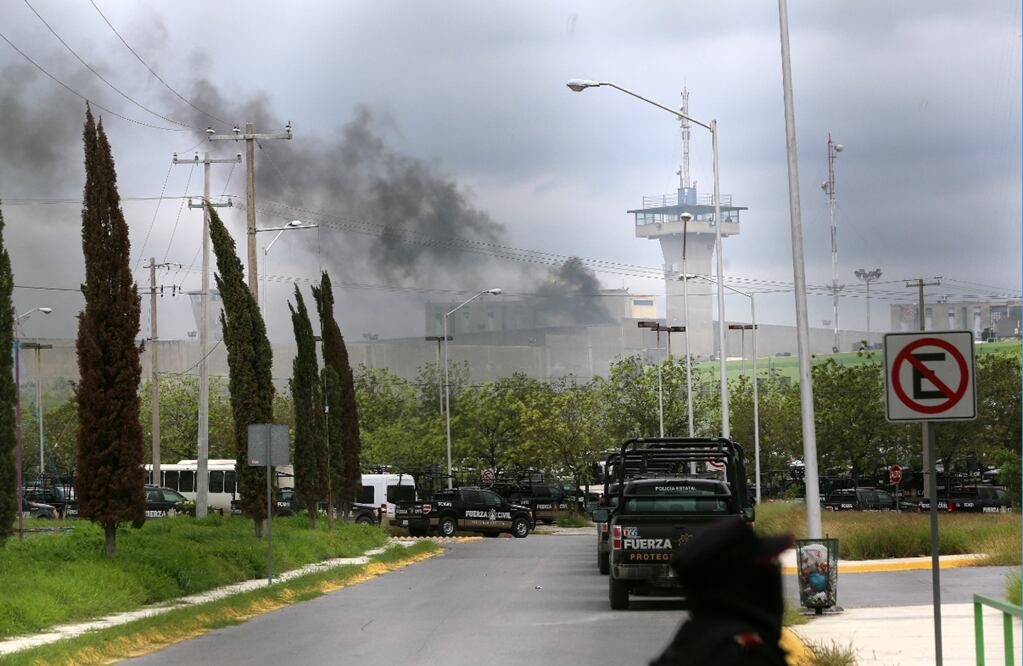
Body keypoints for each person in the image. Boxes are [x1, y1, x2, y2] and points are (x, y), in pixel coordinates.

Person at [650, 519, 794, 666]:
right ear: (742, 579)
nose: (774, 569)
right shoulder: (744, 654)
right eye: (769, 563)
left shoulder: (692, 640)